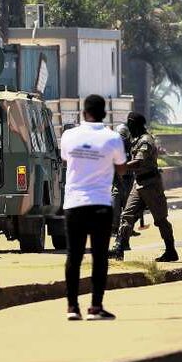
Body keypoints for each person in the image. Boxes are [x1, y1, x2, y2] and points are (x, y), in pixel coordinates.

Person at [59, 95, 127, 321]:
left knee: (74, 256)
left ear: (83, 112)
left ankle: (72, 307)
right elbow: (121, 168)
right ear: (104, 113)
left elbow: (66, 159)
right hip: (100, 203)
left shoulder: (69, 136)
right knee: (99, 257)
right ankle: (96, 307)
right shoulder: (113, 138)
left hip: (74, 204)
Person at [112, 112, 178, 262]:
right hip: (139, 183)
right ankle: (119, 249)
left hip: (151, 184)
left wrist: (120, 167)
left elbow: (138, 162)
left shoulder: (146, 141)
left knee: (160, 219)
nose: (129, 128)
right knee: (127, 215)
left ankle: (170, 250)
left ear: (134, 124)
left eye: (130, 125)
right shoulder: (135, 140)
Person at [111, 123, 134, 237]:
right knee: (115, 203)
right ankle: (114, 228)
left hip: (129, 180)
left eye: (123, 136)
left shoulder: (132, 147)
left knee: (129, 207)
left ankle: (128, 229)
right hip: (117, 181)